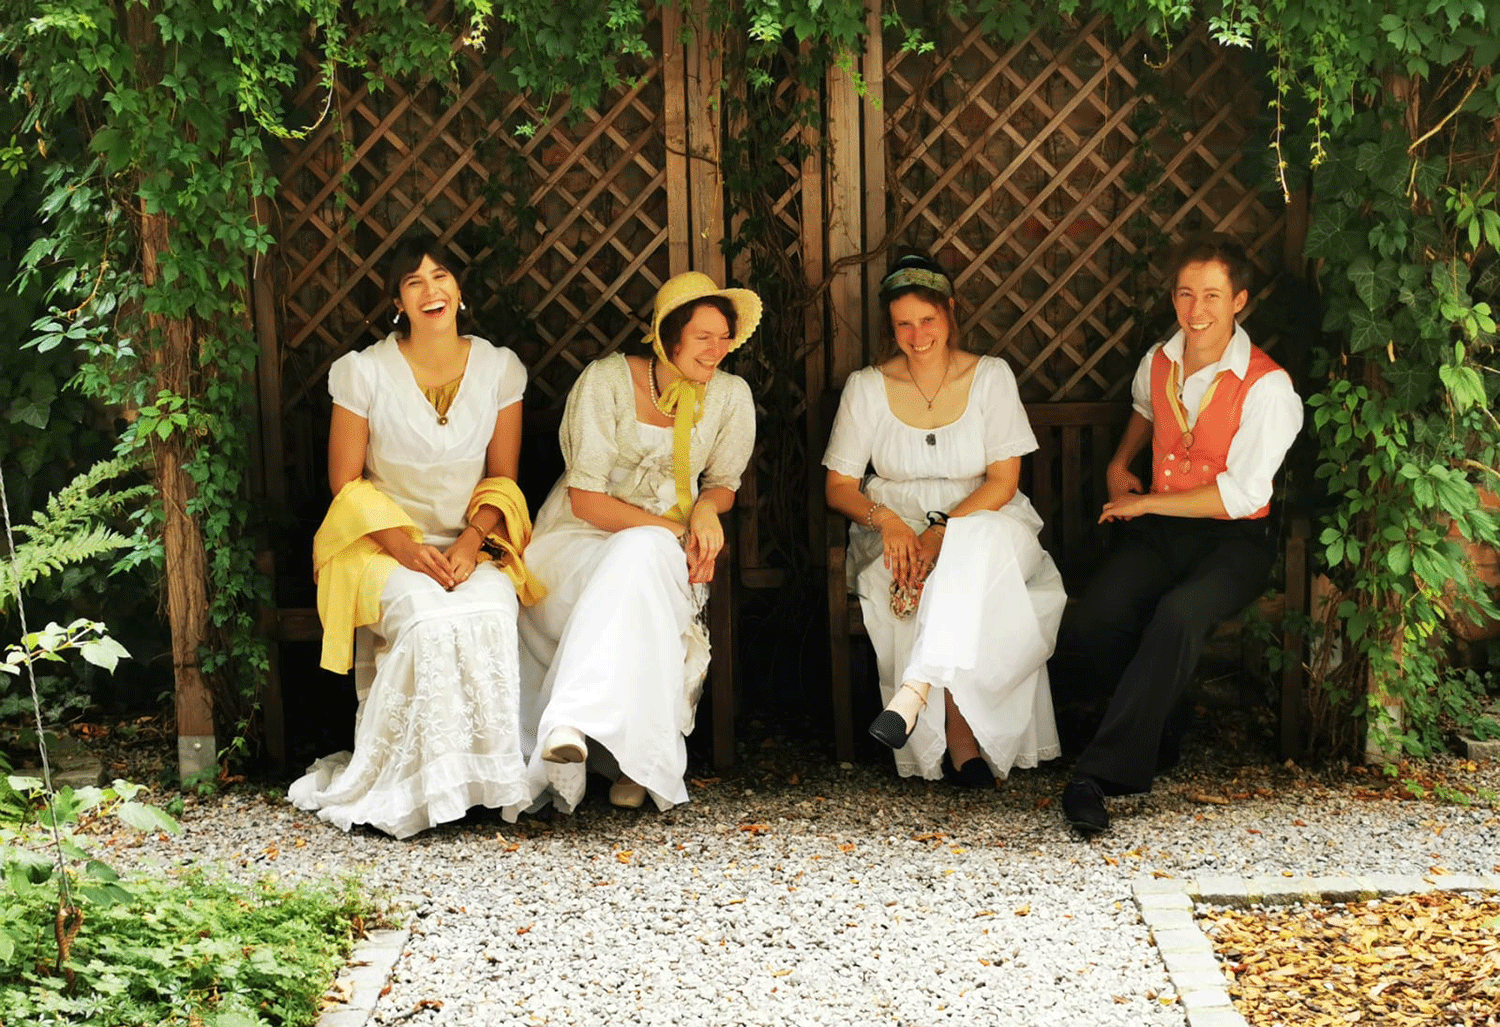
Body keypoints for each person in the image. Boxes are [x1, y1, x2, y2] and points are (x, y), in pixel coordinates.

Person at [289, 232, 545, 839]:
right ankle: (412, 785)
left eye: (442, 276)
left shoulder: (501, 367)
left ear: (460, 288)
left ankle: (483, 784)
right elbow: (345, 483)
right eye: (414, 281)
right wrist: (408, 548)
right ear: (398, 302)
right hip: (382, 545)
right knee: (428, 622)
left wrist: (468, 545)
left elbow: (503, 479)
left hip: (470, 542)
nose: (432, 290)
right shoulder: (362, 372)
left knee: (487, 612)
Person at [1061, 233, 1303, 834]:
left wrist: (1147, 503)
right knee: (1094, 618)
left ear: (1239, 300)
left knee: (1176, 615)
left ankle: (1100, 775)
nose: (1197, 310)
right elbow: (1145, 410)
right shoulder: (1159, 361)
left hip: (1235, 542)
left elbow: (1244, 494)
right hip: (1163, 531)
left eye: (1212, 296)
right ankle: (1158, 727)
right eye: (1186, 294)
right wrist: (1121, 463)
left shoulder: (1268, 387)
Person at [518, 271, 759, 812]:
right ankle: (628, 757)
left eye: (725, 337)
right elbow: (586, 500)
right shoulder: (605, 381)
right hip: (577, 543)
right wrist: (675, 530)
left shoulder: (730, 396)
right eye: (704, 336)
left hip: (659, 551)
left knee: (643, 559)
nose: (718, 349)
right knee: (642, 553)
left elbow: (722, 484)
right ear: (668, 336)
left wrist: (704, 511)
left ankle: (582, 729)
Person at [823, 253, 1066, 786]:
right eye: (903, 323)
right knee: (949, 579)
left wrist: (942, 532)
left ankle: (917, 690)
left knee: (970, 553)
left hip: (991, 522)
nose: (917, 334)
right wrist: (887, 520)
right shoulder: (867, 387)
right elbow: (839, 487)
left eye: (927, 319)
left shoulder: (990, 376)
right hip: (898, 535)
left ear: (951, 312)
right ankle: (960, 737)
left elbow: (1003, 483)